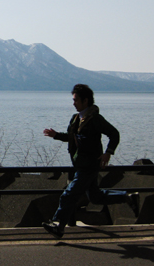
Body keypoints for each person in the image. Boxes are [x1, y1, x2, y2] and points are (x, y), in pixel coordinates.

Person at [42, 84, 138, 239]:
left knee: (68, 195)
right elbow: (71, 137)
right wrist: (56, 135)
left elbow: (114, 134)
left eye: (76, 100)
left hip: (89, 165)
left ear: (85, 100)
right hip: (80, 165)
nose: (73, 103)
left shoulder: (95, 119)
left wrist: (108, 153)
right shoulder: (75, 118)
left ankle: (58, 225)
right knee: (95, 197)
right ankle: (127, 197)